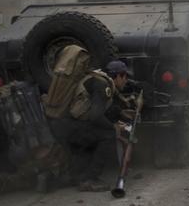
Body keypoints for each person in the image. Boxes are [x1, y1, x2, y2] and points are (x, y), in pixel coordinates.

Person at [49, 55, 130, 192]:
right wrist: (114, 127)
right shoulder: (103, 85)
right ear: (119, 76)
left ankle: (72, 175)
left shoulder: (96, 79)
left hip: (61, 125)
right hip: (69, 127)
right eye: (125, 77)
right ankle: (89, 179)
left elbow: (99, 109)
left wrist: (120, 113)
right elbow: (95, 116)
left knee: (93, 134)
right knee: (108, 134)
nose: (126, 81)